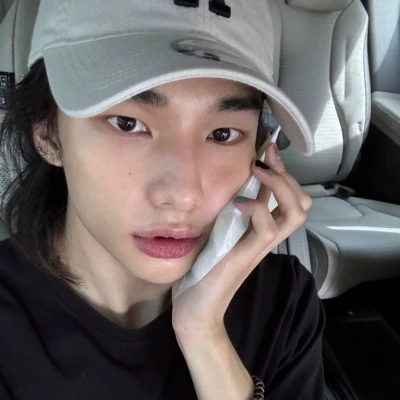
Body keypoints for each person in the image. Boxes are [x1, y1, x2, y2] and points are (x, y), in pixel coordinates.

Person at [0, 0, 325, 399]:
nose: (184, 196)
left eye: (223, 134)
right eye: (128, 124)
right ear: (49, 135)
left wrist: (204, 333)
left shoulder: (282, 303)